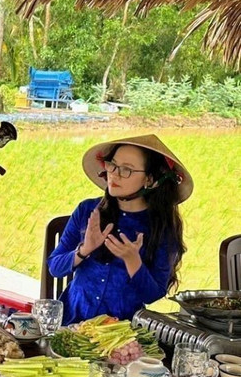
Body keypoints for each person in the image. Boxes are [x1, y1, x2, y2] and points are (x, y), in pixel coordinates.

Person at [47, 134, 192, 325]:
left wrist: (133, 262)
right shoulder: (87, 211)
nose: (114, 174)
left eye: (127, 170)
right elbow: (54, 267)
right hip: (72, 323)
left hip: (122, 332)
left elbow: (152, 294)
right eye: (112, 165)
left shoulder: (162, 227)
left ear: (149, 179)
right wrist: (84, 250)